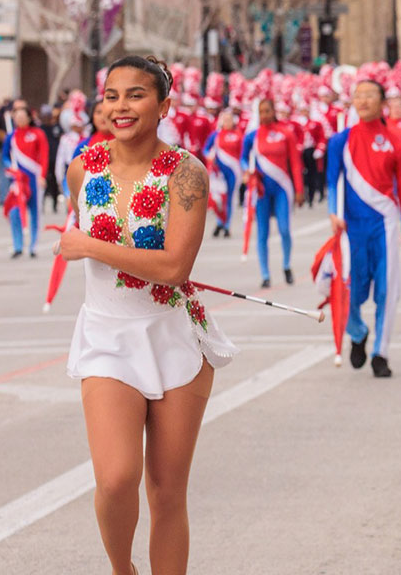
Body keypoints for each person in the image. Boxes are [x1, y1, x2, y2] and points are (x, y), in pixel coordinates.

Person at [60, 55, 237, 575]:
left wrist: (89, 245)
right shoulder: (81, 167)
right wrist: (89, 246)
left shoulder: (187, 174)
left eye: (136, 95)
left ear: (163, 105)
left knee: (166, 491)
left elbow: (175, 265)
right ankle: (123, 569)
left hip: (174, 337)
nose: (121, 106)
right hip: (107, 337)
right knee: (115, 479)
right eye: (112, 95)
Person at [327, 80, 401, 378]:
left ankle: (381, 352)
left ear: (383, 103)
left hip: (386, 225)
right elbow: (332, 182)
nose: (363, 100)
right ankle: (358, 331)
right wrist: (333, 213)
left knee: (387, 290)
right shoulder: (340, 141)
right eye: (358, 95)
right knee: (348, 292)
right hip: (351, 228)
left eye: (370, 95)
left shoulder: (397, 142)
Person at [241, 99, 304, 288]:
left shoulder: (286, 133)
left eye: (267, 110)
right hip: (261, 190)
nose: (265, 115)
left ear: (274, 111)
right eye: (261, 111)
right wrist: (248, 172)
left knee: (284, 229)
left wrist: (300, 189)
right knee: (263, 233)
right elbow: (243, 159)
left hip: (282, 188)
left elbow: (295, 162)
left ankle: (286, 265)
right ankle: (265, 274)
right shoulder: (252, 136)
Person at [2, 101, 50, 258]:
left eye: (23, 115)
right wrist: (11, 169)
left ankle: (33, 246)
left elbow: (44, 155)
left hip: (34, 179)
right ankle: (18, 245)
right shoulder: (11, 137)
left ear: (29, 117)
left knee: (35, 212)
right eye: (17, 116)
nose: (20, 118)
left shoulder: (38, 133)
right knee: (15, 212)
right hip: (18, 181)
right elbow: (5, 157)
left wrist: (42, 175)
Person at [203, 110, 243, 238]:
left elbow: (243, 153)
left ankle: (226, 225)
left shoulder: (238, 135)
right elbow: (205, 149)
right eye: (225, 120)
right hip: (219, 173)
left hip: (233, 172)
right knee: (219, 199)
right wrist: (210, 156)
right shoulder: (216, 135)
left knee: (230, 199)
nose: (227, 122)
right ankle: (220, 222)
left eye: (229, 120)